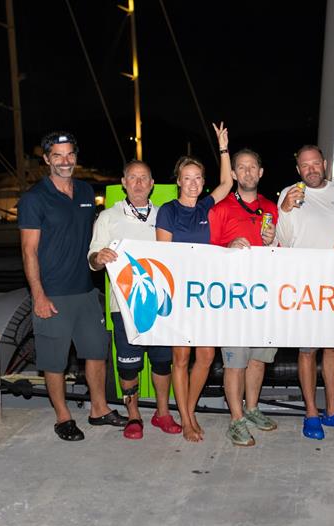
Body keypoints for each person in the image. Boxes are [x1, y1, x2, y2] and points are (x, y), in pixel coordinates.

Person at [18, 131, 126, 441]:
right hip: (52, 294)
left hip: (86, 291)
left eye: (69, 155)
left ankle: (99, 409)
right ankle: (63, 416)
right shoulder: (34, 199)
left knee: (95, 352)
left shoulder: (84, 192)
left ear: (75, 158)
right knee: (55, 360)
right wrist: (38, 294)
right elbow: (29, 251)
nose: (65, 161)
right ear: (47, 159)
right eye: (58, 155)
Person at [276, 144, 334, 440]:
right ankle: (311, 413)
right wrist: (286, 210)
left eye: (315, 163)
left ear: (324, 164)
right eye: (305, 165)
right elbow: (283, 241)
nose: (311, 169)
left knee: (333, 348)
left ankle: (332, 410)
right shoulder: (289, 194)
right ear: (298, 169)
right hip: (303, 285)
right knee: (307, 350)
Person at [88, 160, 182, 440]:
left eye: (144, 178)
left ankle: (162, 412)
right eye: (133, 178)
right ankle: (133, 415)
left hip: (162, 307)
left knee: (162, 362)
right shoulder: (107, 217)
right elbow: (92, 259)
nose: (139, 183)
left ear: (152, 184)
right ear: (124, 183)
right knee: (128, 365)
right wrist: (99, 257)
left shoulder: (165, 216)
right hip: (123, 307)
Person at [155, 123, 234, 442]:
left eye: (198, 178)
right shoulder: (168, 211)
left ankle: (189, 409)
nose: (193, 183)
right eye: (187, 178)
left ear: (203, 183)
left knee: (206, 356)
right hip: (178, 296)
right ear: (178, 182)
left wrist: (223, 148)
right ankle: (187, 419)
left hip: (205, 295)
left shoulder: (205, 206)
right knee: (181, 357)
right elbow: (163, 258)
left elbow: (228, 182)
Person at [208, 148, 279, 446]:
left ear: (261, 172)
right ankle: (236, 420)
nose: (248, 172)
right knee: (235, 362)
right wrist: (227, 247)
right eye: (242, 168)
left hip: (263, 296)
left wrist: (273, 240)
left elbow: (282, 252)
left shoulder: (271, 208)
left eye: (253, 167)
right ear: (234, 174)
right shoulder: (220, 208)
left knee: (258, 360)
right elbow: (204, 252)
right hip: (233, 299)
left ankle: (251, 409)